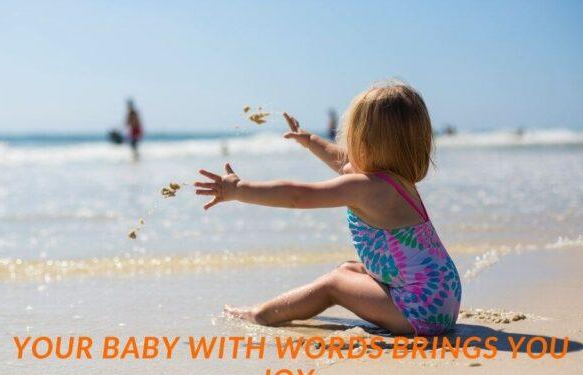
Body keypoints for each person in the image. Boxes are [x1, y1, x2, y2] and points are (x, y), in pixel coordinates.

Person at [194, 83, 461, 336]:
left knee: (334, 284)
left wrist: (239, 190)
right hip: (442, 296)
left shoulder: (367, 187)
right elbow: (343, 162)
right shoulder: (397, 182)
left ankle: (260, 314)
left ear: (364, 141)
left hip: (420, 311)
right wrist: (310, 140)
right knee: (349, 269)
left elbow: (298, 196)